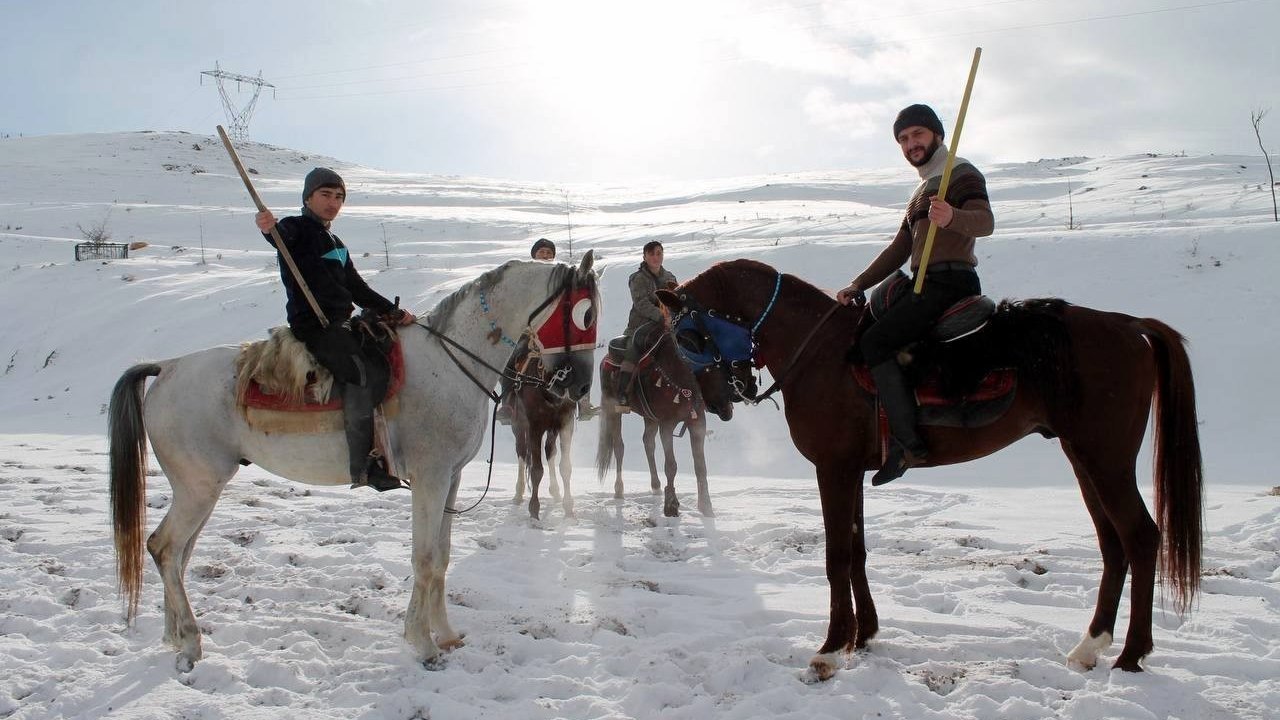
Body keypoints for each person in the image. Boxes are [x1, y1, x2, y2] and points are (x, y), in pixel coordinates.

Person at [835, 104, 994, 485]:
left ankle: (909, 446)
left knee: (876, 343)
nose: (911, 144)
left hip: (951, 281)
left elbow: (986, 222)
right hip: (922, 282)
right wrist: (858, 284)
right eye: (903, 139)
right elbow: (899, 249)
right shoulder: (922, 190)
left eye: (917, 134)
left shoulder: (961, 173)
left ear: (937, 135)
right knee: (864, 334)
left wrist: (953, 217)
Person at [254, 167, 417, 491]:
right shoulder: (295, 227)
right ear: (308, 198)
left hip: (343, 324)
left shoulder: (336, 242)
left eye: (339, 196)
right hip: (314, 327)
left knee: (382, 361)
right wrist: (268, 229)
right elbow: (279, 238)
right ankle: (364, 465)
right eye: (326, 195)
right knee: (361, 372)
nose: (333, 202)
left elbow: (357, 286)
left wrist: (391, 310)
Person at [495, 239, 599, 423]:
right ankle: (508, 404)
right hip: (529, 333)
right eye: (541, 252)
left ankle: (583, 403)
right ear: (534, 256)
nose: (545, 255)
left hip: (556, 335)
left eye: (549, 252)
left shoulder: (562, 279)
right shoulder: (527, 280)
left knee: (579, 358)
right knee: (510, 357)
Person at [617, 240, 677, 410]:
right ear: (644, 256)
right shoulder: (637, 278)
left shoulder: (670, 277)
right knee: (633, 349)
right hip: (640, 325)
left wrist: (674, 315)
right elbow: (641, 303)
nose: (656, 257)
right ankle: (622, 394)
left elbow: (675, 299)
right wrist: (662, 316)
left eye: (659, 253)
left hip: (667, 324)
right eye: (651, 254)